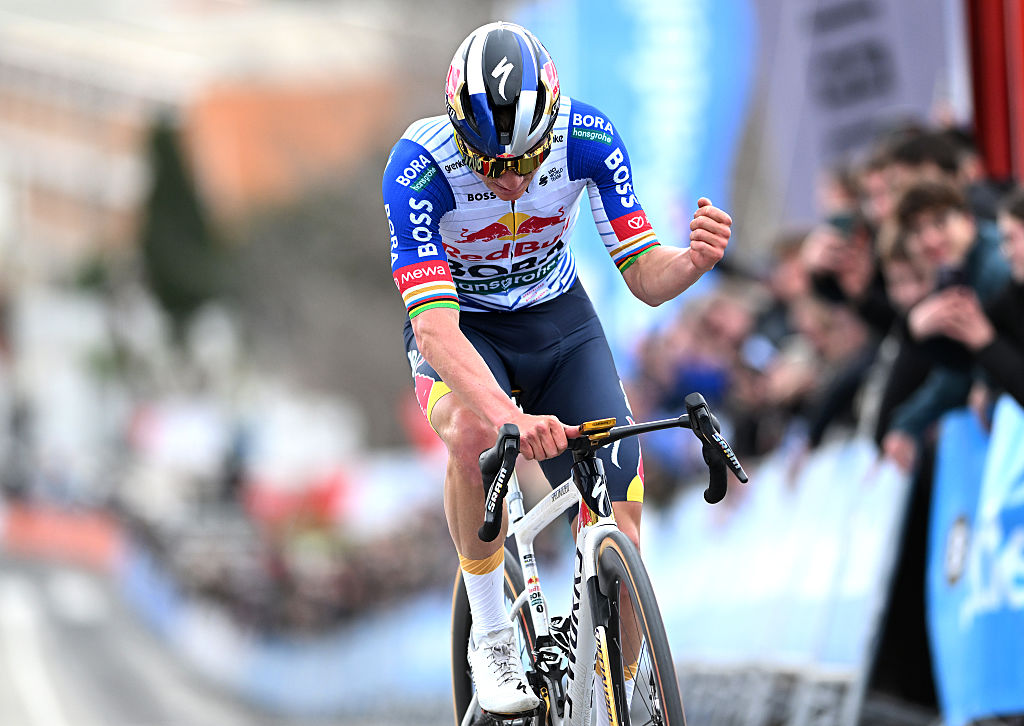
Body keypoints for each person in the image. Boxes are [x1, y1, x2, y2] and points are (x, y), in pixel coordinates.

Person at [381, 21, 732, 716]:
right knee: (468, 435)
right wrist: (508, 417)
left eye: (524, 159)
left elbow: (642, 275)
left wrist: (690, 263)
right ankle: (493, 636)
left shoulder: (588, 137)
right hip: (466, 326)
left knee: (622, 527)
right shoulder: (418, 168)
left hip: (560, 323)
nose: (510, 178)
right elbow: (435, 327)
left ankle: (619, 698)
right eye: (490, 163)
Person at [881, 181, 1011, 471]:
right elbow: (955, 373)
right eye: (917, 231)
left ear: (967, 219)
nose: (929, 239)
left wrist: (986, 381)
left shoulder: (996, 265)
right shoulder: (953, 272)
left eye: (940, 223)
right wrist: (907, 424)